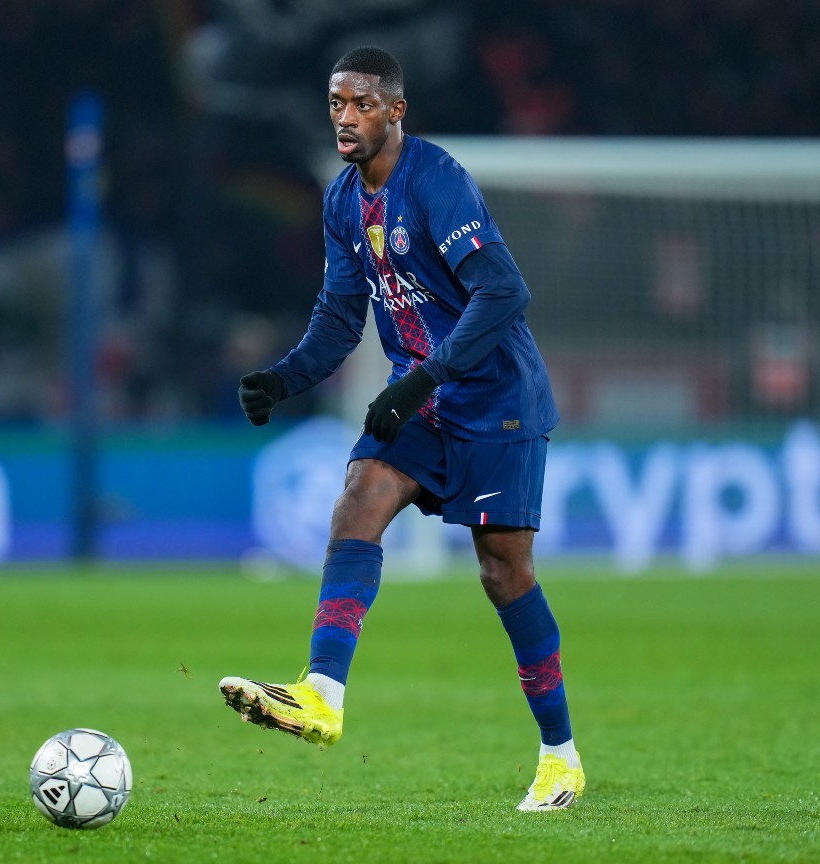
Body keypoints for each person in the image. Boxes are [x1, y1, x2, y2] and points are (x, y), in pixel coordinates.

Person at [219, 46, 584, 812]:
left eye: (359, 104)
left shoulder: (437, 180)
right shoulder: (342, 201)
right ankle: (321, 695)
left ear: (395, 111)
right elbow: (340, 317)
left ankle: (560, 757)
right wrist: (284, 379)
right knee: (358, 499)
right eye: (335, 104)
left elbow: (503, 293)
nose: (345, 118)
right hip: (424, 398)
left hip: (496, 401)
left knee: (502, 573)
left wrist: (424, 375)